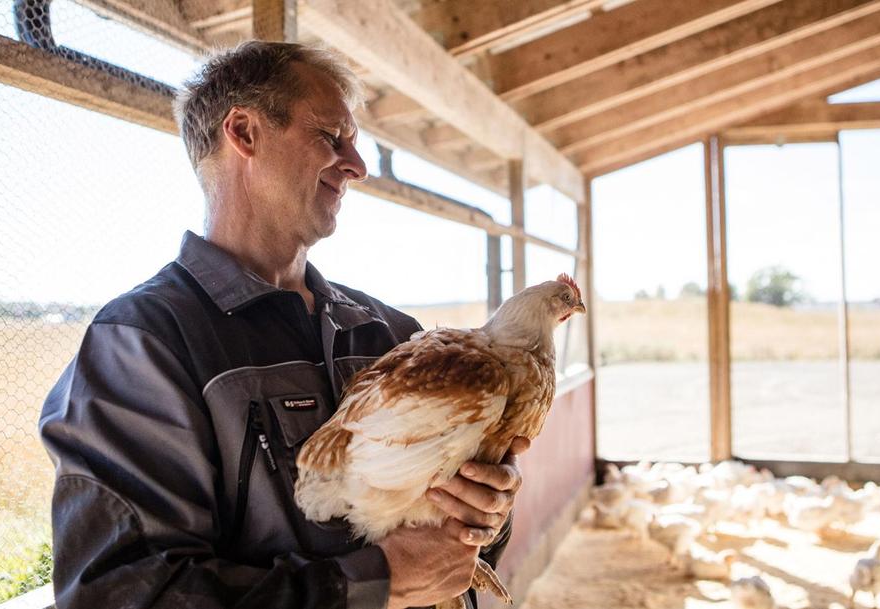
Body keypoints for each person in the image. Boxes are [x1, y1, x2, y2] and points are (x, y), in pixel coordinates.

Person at [39, 41, 529, 609]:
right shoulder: (145, 344)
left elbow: (461, 546)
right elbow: (123, 594)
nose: (358, 165)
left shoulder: (387, 334)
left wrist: (487, 514)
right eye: (332, 137)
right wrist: (368, 584)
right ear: (244, 133)